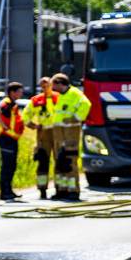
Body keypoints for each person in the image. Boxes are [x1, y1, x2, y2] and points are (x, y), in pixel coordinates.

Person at [50, 73, 92, 202]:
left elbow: (86, 104)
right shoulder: (60, 96)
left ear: (59, 83)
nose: (52, 87)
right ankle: (61, 190)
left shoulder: (74, 93)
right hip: (59, 132)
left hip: (70, 131)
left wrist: (76, 117)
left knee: (70, 161)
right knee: (59, 161)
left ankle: (73, 191)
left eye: (54, 84)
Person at [23, 77, 59, 200]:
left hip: (58, 131)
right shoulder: (36, 100)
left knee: (59, 161)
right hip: (43, 133)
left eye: (47, 85)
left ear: (51, 85)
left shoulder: (59, 97)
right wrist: (32, 125)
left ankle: (60, 188)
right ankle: (42, 189)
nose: (45, 88)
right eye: (42, 86)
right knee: (43, 161)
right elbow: (25, 115)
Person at [0, 81, 25, 201]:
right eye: (19, 92)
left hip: (12, 139)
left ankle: (9, 190)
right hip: (7, 139)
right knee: (7, 166)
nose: (21, 94)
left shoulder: (12, 103)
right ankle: (4, 192)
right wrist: (3, 126)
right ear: (12, 92)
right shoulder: (7, 103)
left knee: (11, 165)